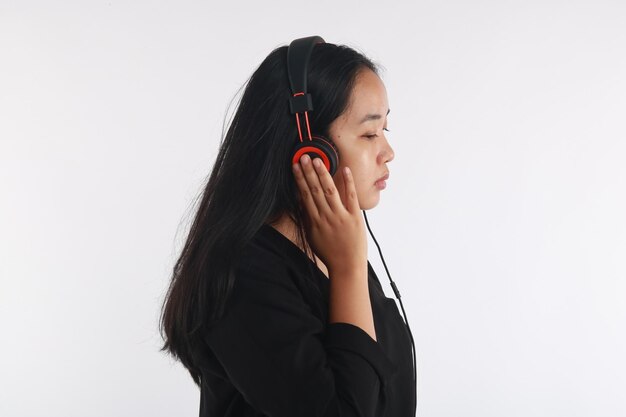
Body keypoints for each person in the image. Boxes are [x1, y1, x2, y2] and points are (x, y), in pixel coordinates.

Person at [160, 36, 416, 417]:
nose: (387, 152)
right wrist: (347, 268)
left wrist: (347, 265)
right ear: (311, 148)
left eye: (385, 131)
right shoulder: (243, 275)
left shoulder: (335, 249)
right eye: (369, 133)